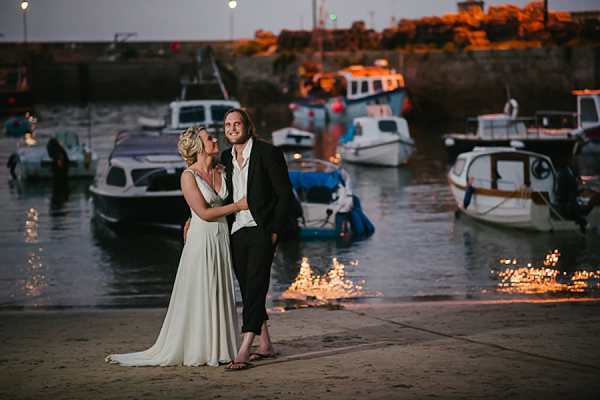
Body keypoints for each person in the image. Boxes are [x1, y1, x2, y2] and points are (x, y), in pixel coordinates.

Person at [105, 125, 248, 367]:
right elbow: (203, 211)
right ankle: (199, 347)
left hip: (221, 237)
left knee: (218, 288)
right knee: (200, 289)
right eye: (209, 138)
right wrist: (238, 206)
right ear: (198, 147)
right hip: (201, 240)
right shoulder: (187, 176)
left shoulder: (222, 169)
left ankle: (220, 346)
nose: (215, 140)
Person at [221, 108, 294, 371]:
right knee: (249, 288)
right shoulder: (225, 158)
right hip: (236, 231)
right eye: (228, 125)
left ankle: (245, 347)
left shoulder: (267, 153)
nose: (232, 128)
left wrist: (275, 229)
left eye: (237, 123)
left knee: (256, 284)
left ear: (247, 126)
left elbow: (285, 194)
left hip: (262, 230)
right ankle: (266, 346)